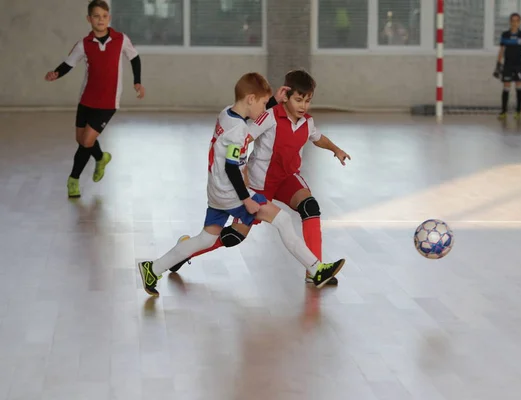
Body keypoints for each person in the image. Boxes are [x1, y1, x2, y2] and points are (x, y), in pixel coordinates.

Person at [137, 72, 345, 296]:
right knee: (282, 220)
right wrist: (247, 199)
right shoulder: (239, 132)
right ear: (251, 100)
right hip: (232, 192)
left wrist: (273, 101)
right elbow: (231, 166)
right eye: (264, 104)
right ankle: (316, 269)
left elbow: (248, 125)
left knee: (207, 238)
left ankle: (153, 267)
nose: (265, 110)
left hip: (216, 191)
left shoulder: (226, 114)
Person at [44, 0, 145, 198]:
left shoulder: (120, 39)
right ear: (89, 19)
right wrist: (56, 73)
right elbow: (68, 64)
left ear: (109, 18)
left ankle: (73, 180)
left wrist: (138, 82)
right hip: (87, 98)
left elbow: (134, 58)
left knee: (86, 141)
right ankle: (101, 158)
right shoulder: (84, 44)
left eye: (104, 16)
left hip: (108, 102)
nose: (101, 20)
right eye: (96, 16)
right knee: (81, 139)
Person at [494, 12, 521, 120]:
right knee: (506, 87)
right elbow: (501, 50)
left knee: (519, 86)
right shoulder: (505, 35)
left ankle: (518, 111)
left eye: (517, 21)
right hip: (507, 65)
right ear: (510, 22)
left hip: (518, 65)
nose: (514, 23)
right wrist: (498, 64)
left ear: (519, 22)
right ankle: (503, 111)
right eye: (512, 21)